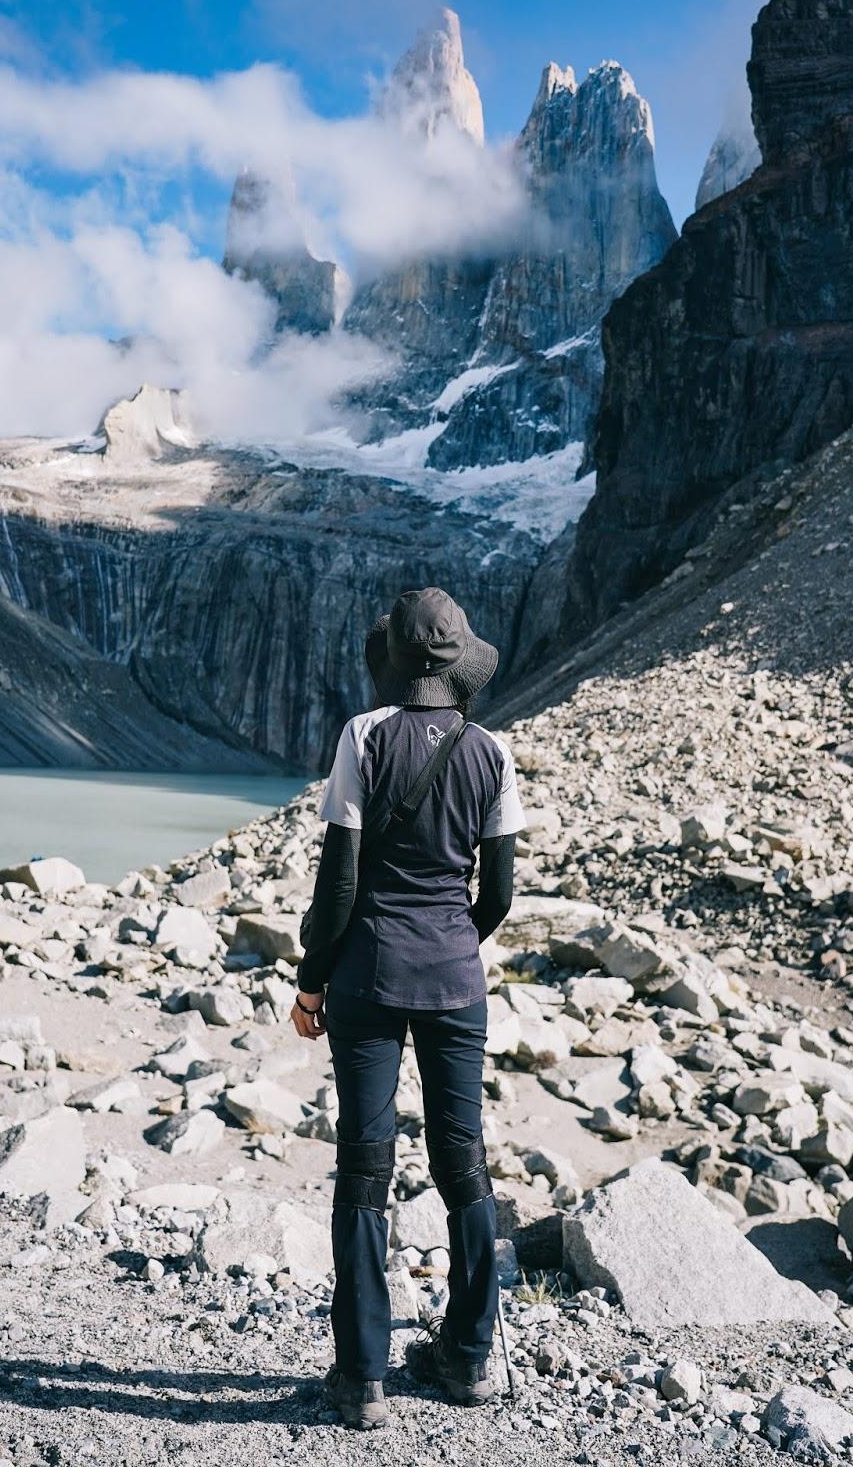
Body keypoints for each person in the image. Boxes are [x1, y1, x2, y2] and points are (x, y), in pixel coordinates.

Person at [289, 586, 525, 1430]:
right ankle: (465, 1359)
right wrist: (455, 941)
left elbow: (340, 880)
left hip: (369, 978)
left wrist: (312, 980)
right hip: (458, 980)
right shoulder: (493, 752)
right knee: (464, 1159)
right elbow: (496, 892)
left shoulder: (366, 735)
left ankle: (361, 1378)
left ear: (395, 662)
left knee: (364, 1164)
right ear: (456, 666)